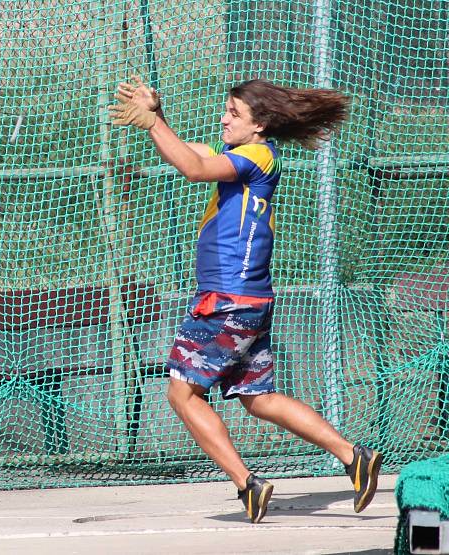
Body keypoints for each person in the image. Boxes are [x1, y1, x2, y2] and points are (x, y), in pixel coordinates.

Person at [109, 76, 382, 524]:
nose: (223, 118)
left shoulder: (256, 154)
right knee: (258, 397)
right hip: (246, 298)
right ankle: (355, 457)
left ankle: (247, 484)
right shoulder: (247, 154)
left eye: (234, 114)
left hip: (227, 300)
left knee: (182, 395)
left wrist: (153, 125)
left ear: (261, 125)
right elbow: (193, 153)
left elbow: (194, 169)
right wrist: (156, 118)